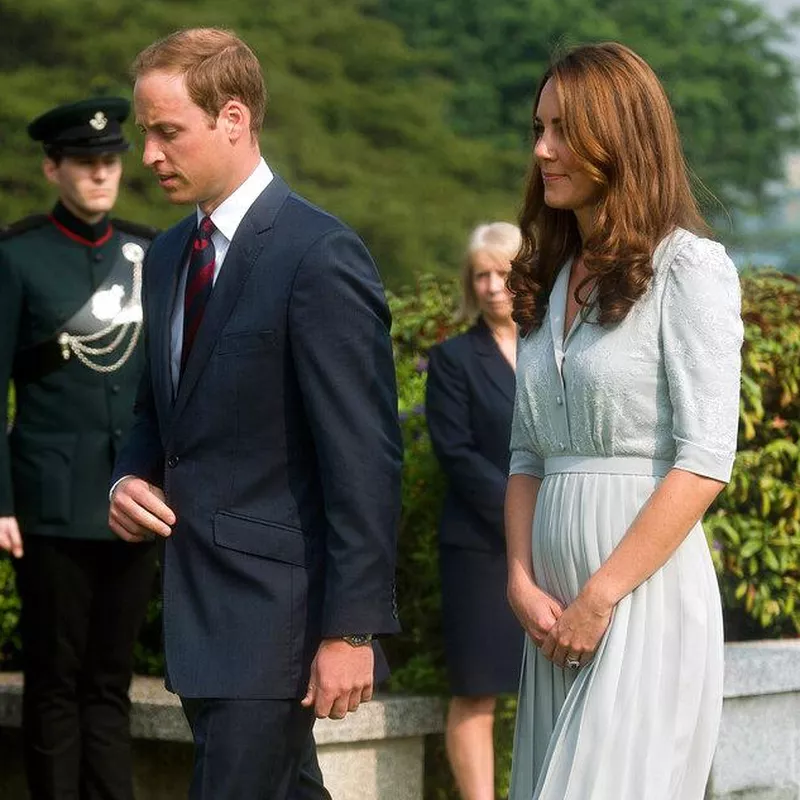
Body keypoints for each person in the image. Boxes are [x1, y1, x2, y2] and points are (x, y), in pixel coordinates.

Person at [107, 27, 402, 800]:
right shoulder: (169, 254)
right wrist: (127, 476)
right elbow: (156, 409)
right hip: (199, 616)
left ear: (233, 118)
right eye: (146, 134)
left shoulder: (320, 255)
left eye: (167, 132)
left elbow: (365, 460)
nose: (149, 156)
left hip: (279, 624)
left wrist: (353, 631)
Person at [504, 42, 743, 800]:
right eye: (539, 127)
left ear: (621, 136)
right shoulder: (548, 274)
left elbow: (705, 458)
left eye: (563, 129)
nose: (542, 149)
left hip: (640, 603)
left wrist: (600, 595)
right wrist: (518, 580)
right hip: (551, 620)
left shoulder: (690, 269)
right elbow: (525, 455)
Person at [0, 97, 158, 800]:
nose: (101, 174)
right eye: (86, 163)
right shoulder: (17, 256)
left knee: (110, 680)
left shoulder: (149, 251)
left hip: (132, 499)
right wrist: (0, 502)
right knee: (56, 682)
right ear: (53, 168)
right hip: (51, 503)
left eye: (110, 161)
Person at [425, 222, 524, 800]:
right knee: (476, 689)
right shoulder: (453, 359)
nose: (491, 286)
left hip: (556, 545)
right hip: (480, 551)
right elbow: (456, 455)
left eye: (503, 274)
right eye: (480, 275)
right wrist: (523, 516)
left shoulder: (559, 347)